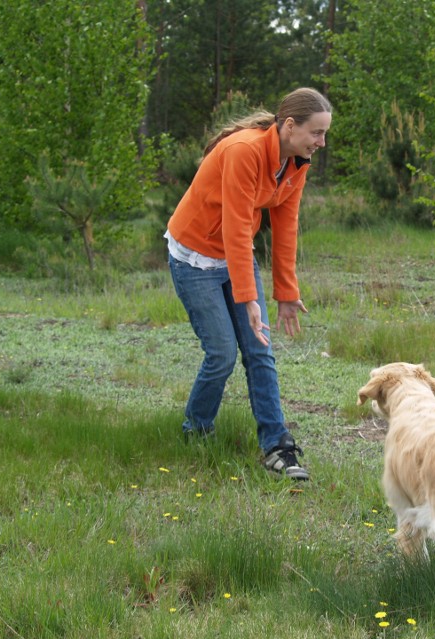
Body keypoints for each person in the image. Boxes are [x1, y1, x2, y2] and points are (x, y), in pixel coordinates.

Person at [165, 87, 331, 481]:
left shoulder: (295, 161)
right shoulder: (245, 151)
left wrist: (286, 293)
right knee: (221, 353)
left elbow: (285, 227)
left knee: (260, 349)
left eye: (324, 134)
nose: (322, 142)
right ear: (290, 126)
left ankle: (277, 446)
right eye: (317, 133)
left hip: (233, 256)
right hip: (195, 257)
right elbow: (238, 228)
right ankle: (197, 431)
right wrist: (249, 298)